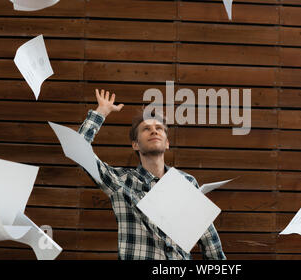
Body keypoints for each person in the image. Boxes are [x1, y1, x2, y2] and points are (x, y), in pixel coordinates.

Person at [77, 89, 226, 260]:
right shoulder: (119, 181)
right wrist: (101, 111)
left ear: (167, 143)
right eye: (146, 129)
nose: (154, 131)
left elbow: (210, 241)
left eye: (159, 128)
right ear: (135, 144)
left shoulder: (186, 181)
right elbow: (80, 151)